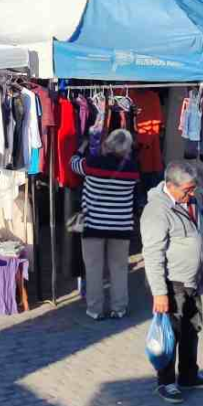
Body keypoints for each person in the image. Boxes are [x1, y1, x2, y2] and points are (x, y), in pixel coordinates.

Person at [141, 160, 203, 404]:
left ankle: (188, 375)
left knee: (191, 329)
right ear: (170, 186)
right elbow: (152, 255)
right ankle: (165, 382)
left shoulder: (186, 201)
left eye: (193, 188)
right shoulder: (157, 211)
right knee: (169, 335)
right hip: (172, 283)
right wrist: (160, 293)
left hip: (190, 281)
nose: (192, 194)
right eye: (187, 190)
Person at [70, 129, 140, 321]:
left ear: (107, 143)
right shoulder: (132, 168)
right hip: (121, 226)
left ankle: (95, 309)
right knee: (118, 269)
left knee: (94, 269)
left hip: (93, 225)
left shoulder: (93, 163)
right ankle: (119, 308)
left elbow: (73, 164)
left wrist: (81, 148)